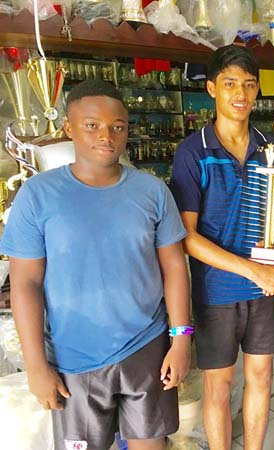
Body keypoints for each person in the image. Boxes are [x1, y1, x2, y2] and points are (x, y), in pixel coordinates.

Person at [0, 79, 191, 450]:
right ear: (69, 128)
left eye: (117, 126)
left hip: (146, 346)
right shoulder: (38, 196)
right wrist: (36, 366)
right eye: (92, 125)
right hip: (74, 357)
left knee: (152, 444)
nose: (106, 135)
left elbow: (174, 268)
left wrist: (181, 340)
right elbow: (26, 284)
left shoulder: (152, 191)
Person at [170, 45, 274, 450]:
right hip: (217, 291)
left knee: (262, 377)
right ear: (211, 89)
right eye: (229, 84)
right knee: (220, 384)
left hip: (264, 288)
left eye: (247, 84)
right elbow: (187, 237)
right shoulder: (193, 152)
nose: (239, 93)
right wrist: (252, 269)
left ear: (258, 89)